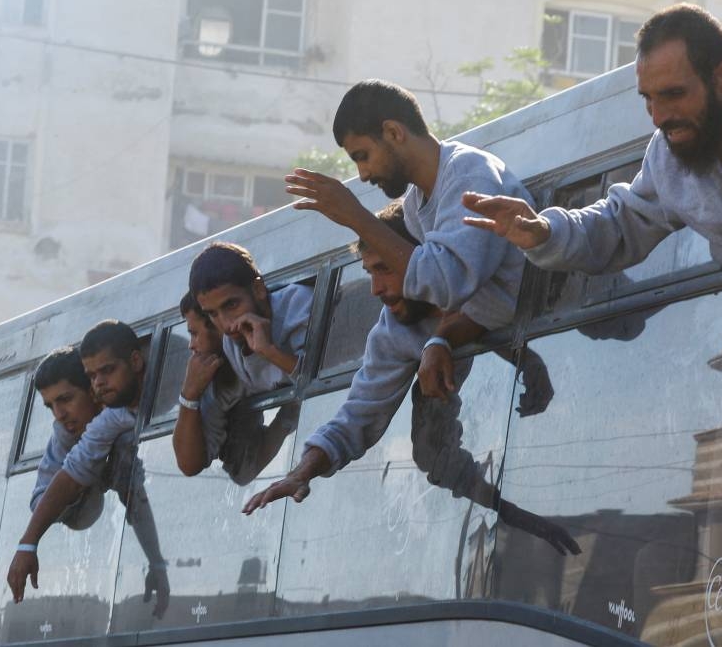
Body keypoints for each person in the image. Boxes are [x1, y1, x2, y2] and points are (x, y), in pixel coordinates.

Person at [462, 3, 722, 318]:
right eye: (648, 99)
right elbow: (619, 225)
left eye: (674, 94)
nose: (658, 118)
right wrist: (544, 231)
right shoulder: (667, 156)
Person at [243, 202, 579, 556]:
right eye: (369, 272)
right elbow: (356, 418)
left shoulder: (493, 268)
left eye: (384, 269)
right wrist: (301, 472)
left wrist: (524, 360)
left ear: (423, 260)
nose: (375, 289)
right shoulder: (394, 331)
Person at [283, 78, 529, 394]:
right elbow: (462, 303)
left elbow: (446, 283)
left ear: (393, 132)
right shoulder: (414, 206)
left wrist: (356, 217)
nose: (363, 174)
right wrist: (439, 341)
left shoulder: (469, 173)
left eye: (363, 156)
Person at [8, 321, 168, 617]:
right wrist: (28, 544)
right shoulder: (65, 435)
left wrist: (156, 562)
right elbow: (46, 494)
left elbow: (136, 498)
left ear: (93, 391)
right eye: (50, 406)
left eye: (65, 399)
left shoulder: (123, 412)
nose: (59, 414)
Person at [171, 291, 297, 485]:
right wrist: (189, 394)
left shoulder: (279, 334)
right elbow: (190, 464)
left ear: (218, 326)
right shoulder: (215, 379)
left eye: (194, 333)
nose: (191, 345)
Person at [189, 241, 313, 395]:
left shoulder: (299, 304)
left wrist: (269, 351)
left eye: (232, 305)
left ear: (258, 289)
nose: (227, 325)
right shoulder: (231, 343)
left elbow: (321, 380)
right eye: (213, 314)